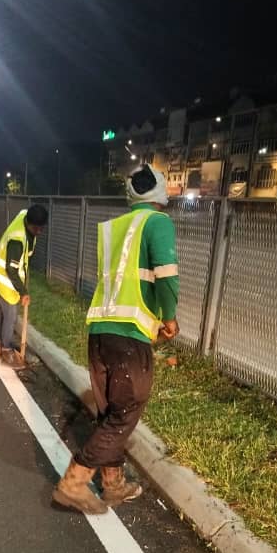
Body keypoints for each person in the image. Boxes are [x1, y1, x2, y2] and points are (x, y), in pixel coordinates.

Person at [52, 164, 179, 514]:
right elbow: (167, 277)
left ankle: (112, 484)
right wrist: (169, 318)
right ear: (159, 191)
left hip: (100, 331)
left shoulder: (113, 228)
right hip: (129, 337)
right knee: (124, 413)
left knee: (110, 409)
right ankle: (74, 482)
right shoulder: (158, 223)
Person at [0, 203, 49, 369]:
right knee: (11, 314)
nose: (39, 231)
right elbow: (11, 270)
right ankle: (6, 350)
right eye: (37, 228)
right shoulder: (17, 240)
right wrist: (23, 292)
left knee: (2, 310)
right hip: (3, 275)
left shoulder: (25, 215)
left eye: (41, 228)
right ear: (29, 223)